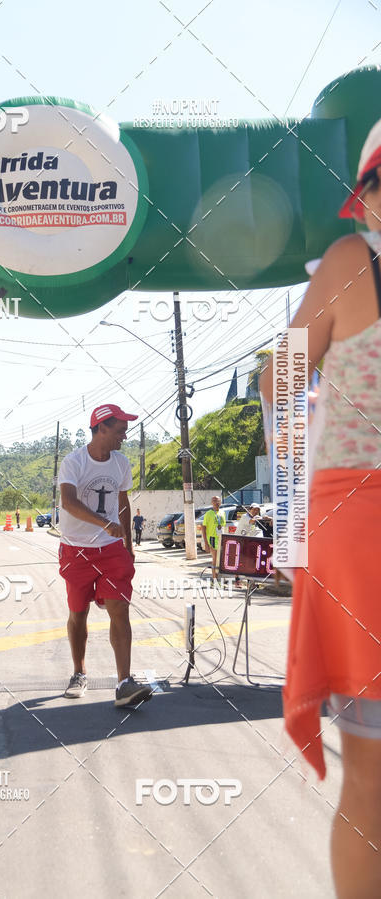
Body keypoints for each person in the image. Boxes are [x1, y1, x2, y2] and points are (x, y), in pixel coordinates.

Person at [260, 118, 381, 899]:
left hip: (356, 520)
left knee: (373, 776)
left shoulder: (351, 259)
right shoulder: (350, 260)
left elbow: (281, 385)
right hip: (361, 521)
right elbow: (283, 384)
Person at [57, 403, 152, 707]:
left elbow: (122, 501)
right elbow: (69, 502)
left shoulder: (121, 463)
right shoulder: (73, 462)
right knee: (78, 613)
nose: (125, 435)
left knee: (119, 610)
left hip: (112, 550)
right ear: (101, 428)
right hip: (76, 549)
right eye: (120, 429)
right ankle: (78, 672)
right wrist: (104, 524)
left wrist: (128, 544)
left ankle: (124, 683)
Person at [201, 496, 226, 579]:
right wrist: (206, 543)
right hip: (212, 538)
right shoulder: (208, 514)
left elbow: (223, 526)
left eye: (218, 500)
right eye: (214, 500)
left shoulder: (222, 512)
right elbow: (203, 528)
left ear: (221, 502)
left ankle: (219, 577)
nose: (216, 502)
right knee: (215, 559)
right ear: (212, 502)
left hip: (221, 538)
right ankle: (214, 579)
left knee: (221, 559)